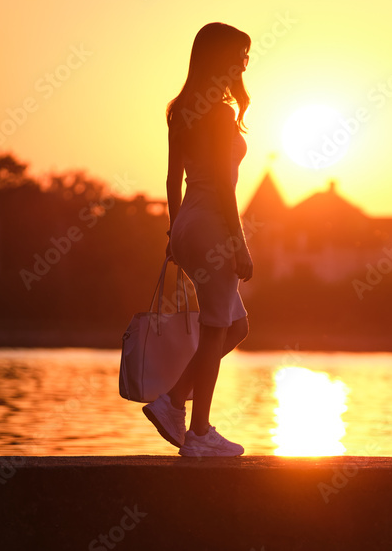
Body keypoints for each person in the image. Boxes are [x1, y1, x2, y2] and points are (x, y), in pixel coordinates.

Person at [143, 22, 254, 457]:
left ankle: (173, 403)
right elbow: (225, 188)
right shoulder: (220, 113)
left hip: (190, 223)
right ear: (219, 57)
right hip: (212, 225)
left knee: (235, 326)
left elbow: (173, 178)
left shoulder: (181, 108)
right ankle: (200, 432)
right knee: (215, 331)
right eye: (240, 54)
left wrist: (174, 230)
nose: (245, 63)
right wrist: (239, 243)